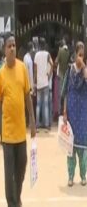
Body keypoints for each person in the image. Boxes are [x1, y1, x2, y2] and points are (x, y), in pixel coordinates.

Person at [0, 32, 36, 207]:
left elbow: (27, 96)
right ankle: (13, 203)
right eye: (9, 46)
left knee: (21, 168)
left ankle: (17, 196)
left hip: (21, 132)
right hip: (7, 133)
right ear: (4, 49)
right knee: (9, 175)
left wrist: (32, 120)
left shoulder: (23, 68)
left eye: (14, 45)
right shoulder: (1, 73)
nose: (12, 48)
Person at [61, 41, 87, 187]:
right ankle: (70, 176)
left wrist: (83, 68)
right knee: (70, 147)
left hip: (83, 113)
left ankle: (83, 175)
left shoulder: (85, 71)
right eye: (79, 55)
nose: (80, 58)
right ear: (75, 55)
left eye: (83, 55)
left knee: (83, 147)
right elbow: (65, 92)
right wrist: (65, 112)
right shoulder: (69, 71)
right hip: (71, 111)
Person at [34, 38, 53, 131]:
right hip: (45, 82)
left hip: (39, 82)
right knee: (45, 104)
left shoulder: (36, 55)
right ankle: (46, 124)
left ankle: (37, 124)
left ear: (39, 45)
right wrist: (49, 74)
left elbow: (35, 69)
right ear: (44, 45)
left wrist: (35, 80)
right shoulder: (47, 54)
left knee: (38, 104)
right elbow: (52, 64)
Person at [55, 39, 70, 114]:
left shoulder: (60, 51)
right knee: (65, 93)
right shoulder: (68, 51)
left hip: (60, 74)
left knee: (60, 93)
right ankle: (65, 109)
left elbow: (56, 61)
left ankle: (59, 111)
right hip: (66, 73)